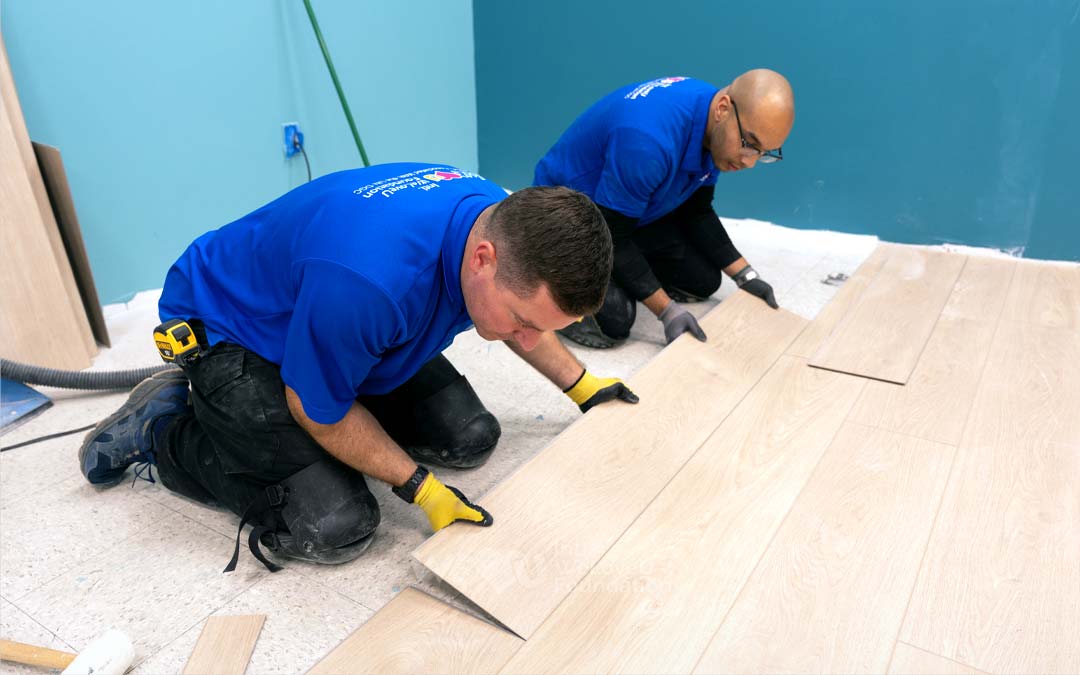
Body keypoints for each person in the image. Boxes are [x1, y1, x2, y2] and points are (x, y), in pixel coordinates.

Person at [79, 163, 637, 570]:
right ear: (483, 260)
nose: (527, 338)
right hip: (235, 327)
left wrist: (583, 386)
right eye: (521, 320)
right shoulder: (370, 283)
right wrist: (420, 488)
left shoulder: (499, 219)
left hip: (341, 315)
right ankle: (162, 428)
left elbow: (523, 317)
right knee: (336, 523)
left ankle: (337, 370)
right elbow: (314, 409)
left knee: (470, 438)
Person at [534, 69, 795, 348]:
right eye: (749, 145)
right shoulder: (648, 142)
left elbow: (696, 210)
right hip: (568, 220)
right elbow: (612, 236)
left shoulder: (714, 122)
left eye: (763, 152)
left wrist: (746, 276)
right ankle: (553, 286)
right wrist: (666, 310)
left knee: (703, 280)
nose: (749, 162)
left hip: (626, 212)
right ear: (723, 109)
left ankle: (623, 276)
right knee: (615, 320)